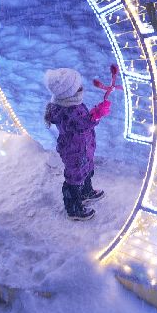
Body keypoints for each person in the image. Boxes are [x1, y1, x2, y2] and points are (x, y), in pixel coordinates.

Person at [43, 67, 110, 221]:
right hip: (74, 150)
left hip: (83, 147)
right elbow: (82, 124)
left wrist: (94, 112)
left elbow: (83, 120)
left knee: (86, 169)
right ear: (68, 92)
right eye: (78, 87)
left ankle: (86, 191)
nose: (82, 88)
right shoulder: (67, 110)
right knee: (75, 176)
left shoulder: (70, 103)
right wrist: (97, 114)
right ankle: (73, 207)